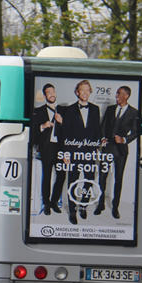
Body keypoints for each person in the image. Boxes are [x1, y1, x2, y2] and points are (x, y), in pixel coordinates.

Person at [59, 79, 103, 224]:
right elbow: (65, 133)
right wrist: (66, 153)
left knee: (89, 181)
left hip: (89, 152)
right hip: (73, 152)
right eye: (82, 90)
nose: (85, 93)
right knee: (72, 182)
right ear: (77, 92)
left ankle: (83, 206)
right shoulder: (69, 110)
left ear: (90, 92)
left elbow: (97, 130)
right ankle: (72, 212)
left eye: (87, 90)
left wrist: (96, 148)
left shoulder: (96, 109)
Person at [96, 86, 139, 219]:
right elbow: (103, 126)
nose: (116, 96)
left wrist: (124, 139)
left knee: (118, 178)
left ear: (126, 96)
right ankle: (101, 203)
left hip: (121, 151)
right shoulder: (110, 109)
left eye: (119, 93)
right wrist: (102, 138)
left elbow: (136, 132)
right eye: (116, 93)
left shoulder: (134, 113)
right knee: (102, 177)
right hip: (107, 148)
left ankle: (115, 207)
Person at [31, 83, 65, 215]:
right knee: (47, 176)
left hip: (61, 147)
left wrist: (61, 121)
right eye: (48, 93)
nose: (52, 94)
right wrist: (42, 126)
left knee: (61, 176)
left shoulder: (64, 110)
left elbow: (70, 130)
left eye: (53, 91)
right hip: (47, 148)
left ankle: (54, 202)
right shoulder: (39, 111)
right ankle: (46, 203)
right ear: (45, 96)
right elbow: (33, 132)